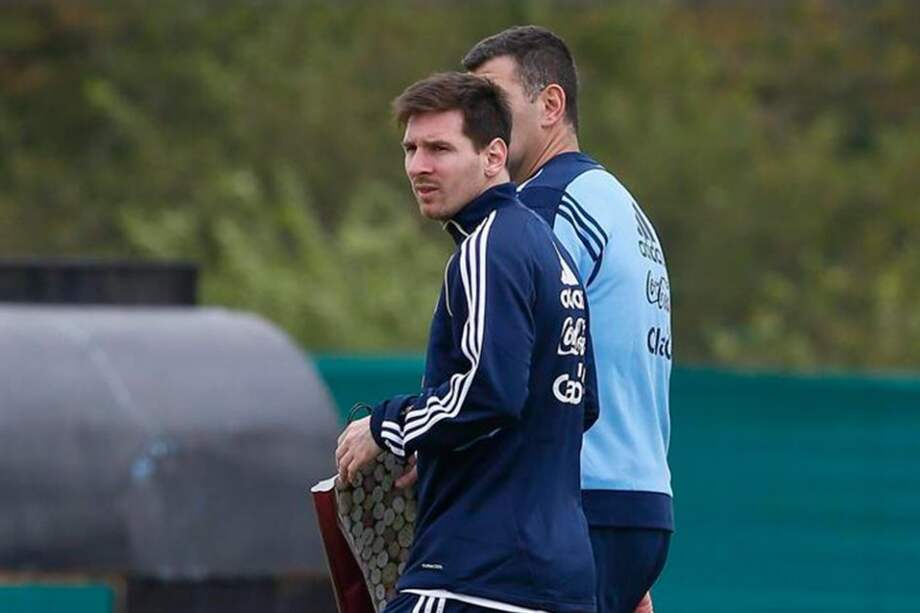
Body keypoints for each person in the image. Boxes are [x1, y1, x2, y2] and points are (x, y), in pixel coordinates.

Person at [335, 72, 599, 613]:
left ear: (493, 155)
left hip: (473, 576)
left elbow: (488, 393)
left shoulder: (488, 248)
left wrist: (386, 427)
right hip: (560, 582)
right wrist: (436, 447)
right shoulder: (551, 252)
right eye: (410, 148)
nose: (418, 166)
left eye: (439, 148)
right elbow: (580, 405)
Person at [463, 26, 674, 613]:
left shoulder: (543, 207)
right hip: (639, 506)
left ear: (550, 104)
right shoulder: (623, 208)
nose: (477, 124)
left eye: (491, 103)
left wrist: (404, 437)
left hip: (575, 505)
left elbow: (506, 364)